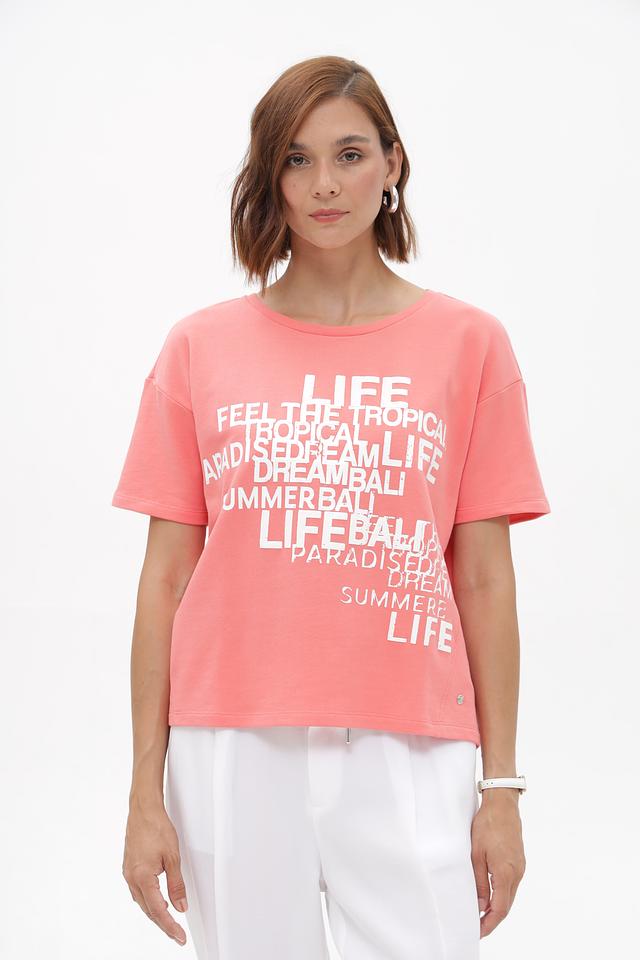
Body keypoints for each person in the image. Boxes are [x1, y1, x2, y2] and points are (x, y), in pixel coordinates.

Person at [112, 55, 551, 959]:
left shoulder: (470, 345)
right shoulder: (199, 348)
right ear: (269, 175)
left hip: (410, 742)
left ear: (392, 163)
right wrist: (143, 792)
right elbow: (164, 580)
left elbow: (483, 579)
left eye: (349, 154)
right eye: (297, 159)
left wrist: (501, 788)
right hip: (231, 741)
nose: (324, 185)